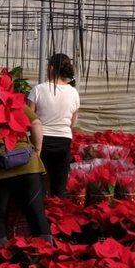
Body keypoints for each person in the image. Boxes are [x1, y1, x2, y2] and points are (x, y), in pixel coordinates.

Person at [0, 99, 53, 251]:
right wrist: (37, 151)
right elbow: (36, 124)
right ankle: (44, 259)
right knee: (36, 214)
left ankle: (0, 264)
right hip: (27, 164)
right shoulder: (14, 103)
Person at [30, 53, 80, 197]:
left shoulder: (38, 90)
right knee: (60, 187)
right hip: (63, 141)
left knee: (38, 183)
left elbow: (28, 118)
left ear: (50, 68)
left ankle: (40, 215)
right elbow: (72, 122)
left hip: (41, 141)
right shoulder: (74, 93)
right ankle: (59, 216)